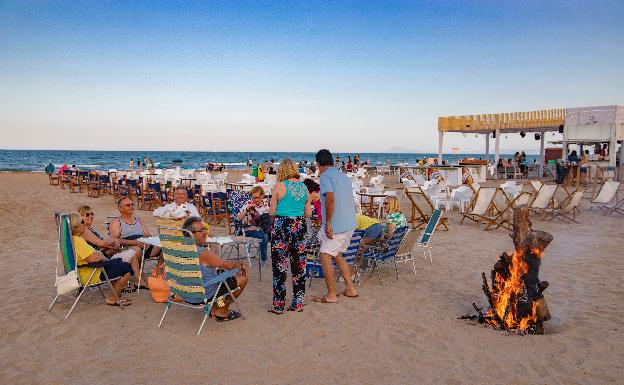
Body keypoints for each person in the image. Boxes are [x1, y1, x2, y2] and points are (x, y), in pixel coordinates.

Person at [313, 149, 358, 304]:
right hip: (350, 223)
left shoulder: (325, 176)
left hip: (337, 224)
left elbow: (330, 199)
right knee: (336, 254)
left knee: (324, 255)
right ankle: (350, 289)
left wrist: (329, 223)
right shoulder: (343, 176)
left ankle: (331, 295)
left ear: (318, 164)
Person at [268, 159, 312, 314]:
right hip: (300, 228)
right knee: (299, 267)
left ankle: (279, 305)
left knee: (279, 268)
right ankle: (298, 303)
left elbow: (272, 212)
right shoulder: (304, 187)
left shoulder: (279, 186)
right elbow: (308, 213)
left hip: (282, 228)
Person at [182, 216, 247, 321]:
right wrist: (239, 264)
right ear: (191, 234)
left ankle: (215, 308)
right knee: (242, 278)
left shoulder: (179, 249)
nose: (205, 233)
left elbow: (214, 264)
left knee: (220, 275)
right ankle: (222, 310)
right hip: (202, 294)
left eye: (205, 229)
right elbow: (226, 265)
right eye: (201, 230)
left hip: (186, 293)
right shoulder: (201, 253)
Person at [68, 213, 133, 306]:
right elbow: (93, 258)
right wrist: (102, 256)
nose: (85, 223)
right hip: (91, 273)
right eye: (82, 221)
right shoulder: (77, 241)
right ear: (77, 227)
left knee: (118, 262)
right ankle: (112, 298)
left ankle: (116, 294)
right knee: (126, 267)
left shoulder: (71, 239)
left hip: (84, 271)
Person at [77, 205, 147, 290]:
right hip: (99, 263)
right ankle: (136, 281)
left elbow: (99, 247)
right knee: (132, 256)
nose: (91, 216)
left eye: (92, 214)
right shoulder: (84, 231)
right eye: (87, 215)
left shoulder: (89, 230)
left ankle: (136, 280)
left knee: (132, 253)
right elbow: (100, 244)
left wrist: (111, 247)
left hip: (101, 258)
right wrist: (112, 241)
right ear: (80, 217)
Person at [109, 197, 162, 265]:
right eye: (128, 205)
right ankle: (137, 273)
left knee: (165, 245)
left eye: (132, 204)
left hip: (145, 247)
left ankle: (158, 270)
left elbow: (148, 234)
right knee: (137, 249)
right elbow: (114, 240)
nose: (131, 207)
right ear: (120, 208)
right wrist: (134, 242)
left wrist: (149, 240)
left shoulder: (139, 220)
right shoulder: (116, 222)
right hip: (128, 248)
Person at [236, 186, 270, 264]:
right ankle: (263, 260)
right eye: (254, 198)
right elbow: (238, 218)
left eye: (258, 197)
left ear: (262, 195)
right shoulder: (249, 203)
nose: (256, 200)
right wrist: (247, 210)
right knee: (264, 236)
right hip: (248, 230)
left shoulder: (267, 203)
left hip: (263, 227)